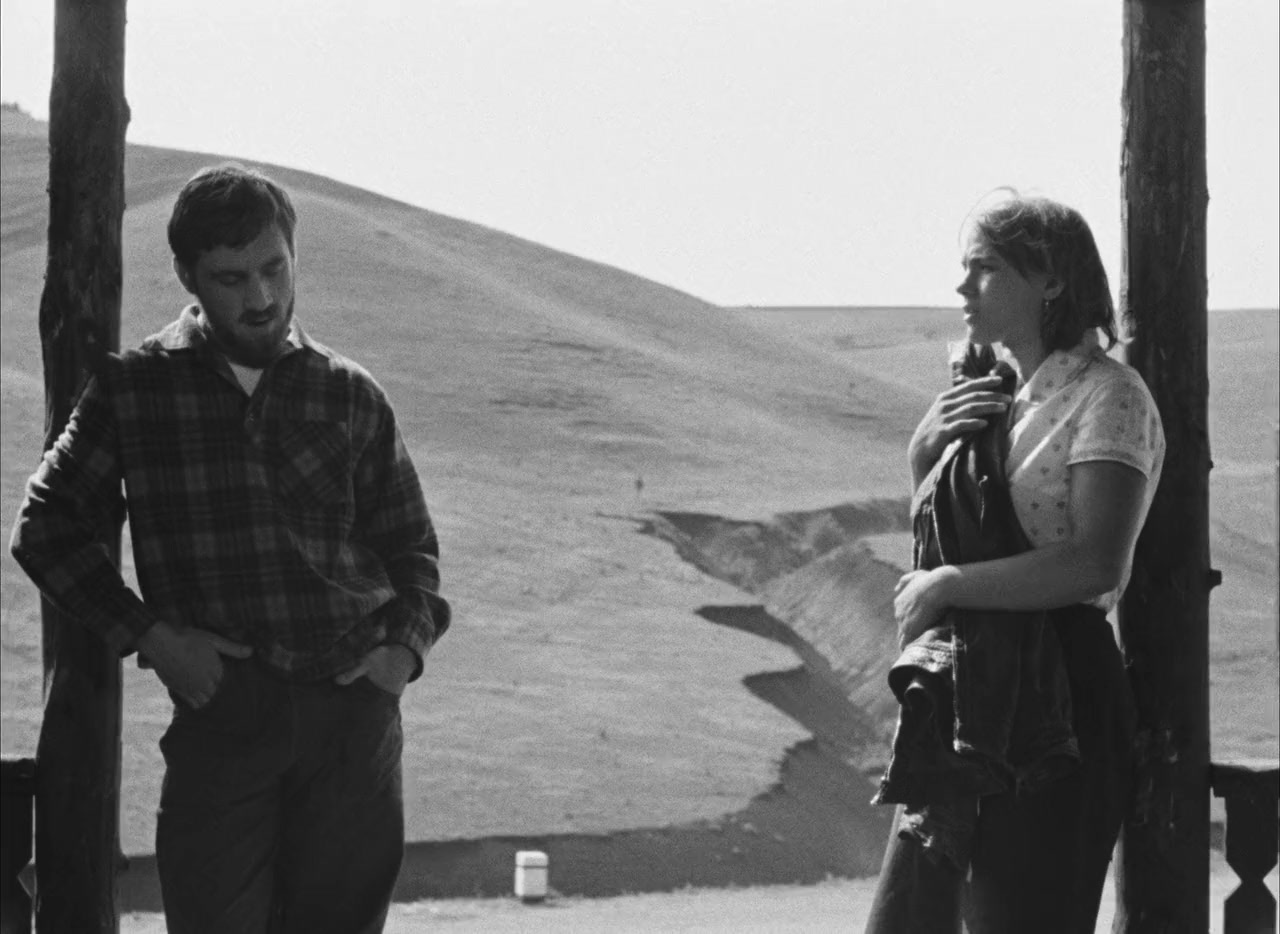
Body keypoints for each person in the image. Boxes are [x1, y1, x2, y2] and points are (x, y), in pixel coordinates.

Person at [10, 163, 450, 934]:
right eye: (232, 278)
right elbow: (43, 526)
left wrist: (398, 657)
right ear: (188, 276)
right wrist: (152, 636)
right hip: (223, 712)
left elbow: (412, 550)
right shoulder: (133, 389)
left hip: (352, 720)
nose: (261, 297)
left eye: (275, 268)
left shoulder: (349, 393)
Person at [864, 189, 1165, 933]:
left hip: (1060, 697)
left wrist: (949, 584)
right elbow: (946, 540)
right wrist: (924, 456)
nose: (963, 287)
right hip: (970, 693)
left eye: (986, 269)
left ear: (1051, 280)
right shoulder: (994, 403)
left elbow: (1094, 562)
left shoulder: (1109, 397)